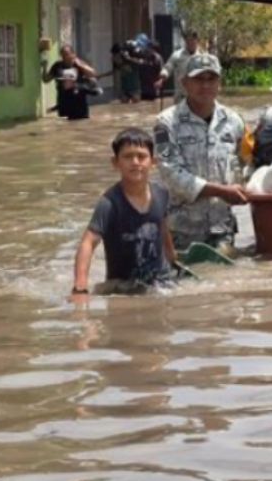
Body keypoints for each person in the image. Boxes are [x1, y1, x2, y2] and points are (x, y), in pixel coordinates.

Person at [153, 54, 249, 251]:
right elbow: (170, 173)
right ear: (184, 83)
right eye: (198, 79)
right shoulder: (164, 123)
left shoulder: (235, 121)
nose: (205, 85)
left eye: (211, 79)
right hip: (181, 232)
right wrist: (221, 191)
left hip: (223, 229)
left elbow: (245, 164)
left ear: (219, 83)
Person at [72, 128, 180, 299]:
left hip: (162, 283)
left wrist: (173, 258)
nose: (135, 162)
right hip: (122, 288)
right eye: (128, 157)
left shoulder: (161, 193)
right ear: (115, 163)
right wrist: (80, 287)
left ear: (153, 162)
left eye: (141, 156)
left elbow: (162, 226)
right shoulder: (109, 203)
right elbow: (88, 242)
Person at [43, 44, 98, 119]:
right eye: (62, 55)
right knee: (64, 124)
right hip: (64, 103)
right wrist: (44, 67)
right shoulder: (57, 66)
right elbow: (46, 80)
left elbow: (93, 74)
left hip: (79, 103)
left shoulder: (79, 64)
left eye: (66, 54)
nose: (64, 57)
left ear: (73, 54)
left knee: (81, 123)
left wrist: (80, 65)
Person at [156, 30, 204, 103]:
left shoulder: (203, 56)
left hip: (197, 96)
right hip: (181, 96)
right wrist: (162, 78)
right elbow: (168, 67)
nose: (190, 43)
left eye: (192, 40)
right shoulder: (177, 55)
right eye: (188, 41)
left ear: (197, 41)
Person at [133, 36, 165, 102]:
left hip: (154, 89)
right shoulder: (142, 56)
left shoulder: (157, 58)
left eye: (150, 48)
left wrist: (160, 81)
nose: (148, 49)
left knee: (154, 104)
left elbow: (162, 71)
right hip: (143, 89)